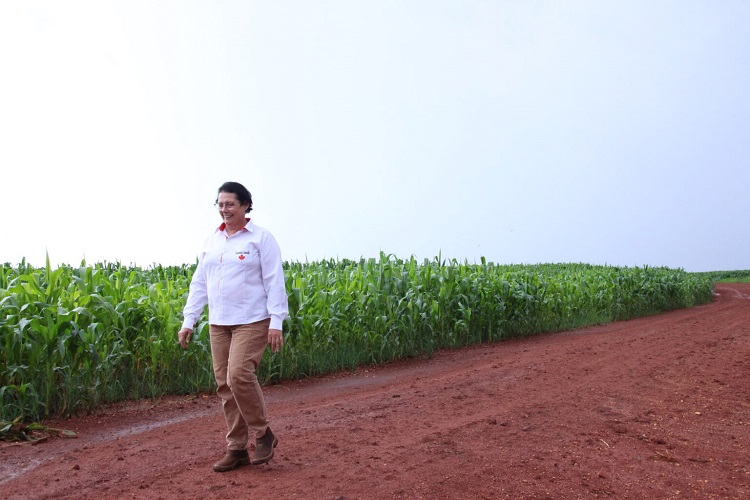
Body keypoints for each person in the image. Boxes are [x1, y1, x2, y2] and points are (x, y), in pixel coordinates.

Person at [177, 181, 289, 472]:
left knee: (239, 374)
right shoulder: (212, 241)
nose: (224, 209)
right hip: (219, 323)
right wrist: (190, 319)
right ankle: (237, 449)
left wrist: (276, 321)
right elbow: (199, 283)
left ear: (245, 205)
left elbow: (275, 281)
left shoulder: (261, 239)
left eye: (230, 204)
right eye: (220, 204)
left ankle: (263, 433)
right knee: (225, 385)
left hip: (252, 320)